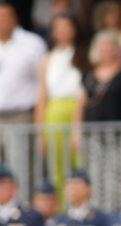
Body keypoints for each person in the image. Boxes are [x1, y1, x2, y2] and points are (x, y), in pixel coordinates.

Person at [0, 4, 48, 135]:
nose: (1, 21)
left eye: (5, 16)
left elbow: (42, 81)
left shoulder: (33, 43)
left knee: (21, 155)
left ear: (15, 18)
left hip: (21, 116)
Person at [35, 14, 84, 169]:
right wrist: (40, 133)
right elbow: (42, 97)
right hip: (55, 110)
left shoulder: (83, 55)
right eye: (59, 27)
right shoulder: (47, 59)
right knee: (58, 162)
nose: (63, 31)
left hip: (78, 107)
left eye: (67, 26)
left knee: (81, 159)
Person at [91, 0, 121, 70]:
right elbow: (95, 60)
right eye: (111, 13)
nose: (115, 16)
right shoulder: (100, 36)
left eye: (118, 13)